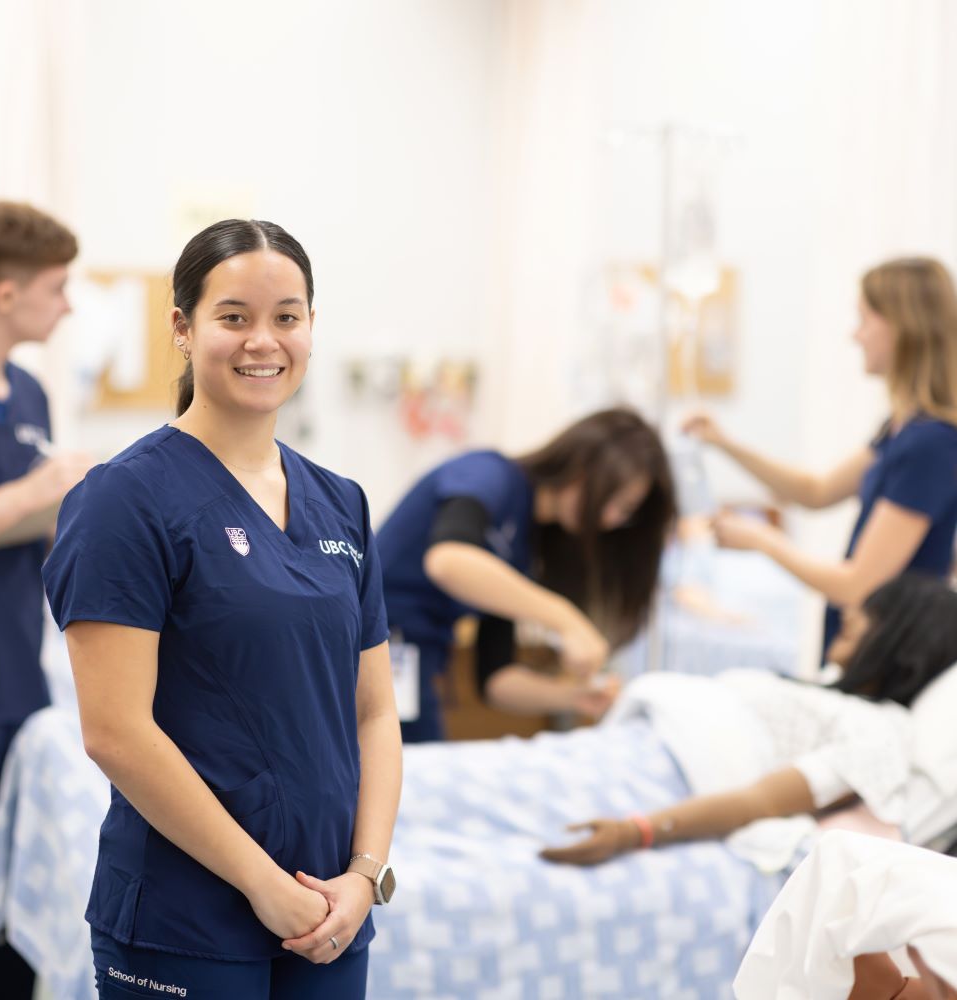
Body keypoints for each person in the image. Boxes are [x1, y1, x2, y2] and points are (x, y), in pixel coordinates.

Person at [43, 219, 402, 1000]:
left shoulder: (342, 504)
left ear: (310, 327)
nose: (262, 342)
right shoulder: (125, 500)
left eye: (287, 317)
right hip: (189, 920)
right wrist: (263, 885)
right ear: (183, 327)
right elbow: (115, 732)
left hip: (330, 917)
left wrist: (363, 876)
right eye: (233, 317)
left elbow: (373, 712)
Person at [541, 573, 957, 866]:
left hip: (656, 781)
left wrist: (634, 833)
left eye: (872, 611)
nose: (848, 613)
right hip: (623, 748)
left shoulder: (878, 731)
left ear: (905, 640)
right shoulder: (824, 686)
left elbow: (762, 801)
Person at [683, 257, 957, 656]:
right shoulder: (902, 431)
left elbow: (859, 584)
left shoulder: (931, 445)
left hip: (892, 654)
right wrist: (724, 443)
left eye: (865, 320)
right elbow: (816, 491)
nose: (856, 335)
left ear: (903, 326)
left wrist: (764, 540)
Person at [0, 200, 89, 1000]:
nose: (69, 304)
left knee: (8, 920)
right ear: (6, 293)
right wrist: (38, 490)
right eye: (57, 286)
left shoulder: (32, 395)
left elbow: (30, 525)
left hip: (18, 693)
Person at [377, 407, 677, 742]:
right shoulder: (489, 474)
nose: (608, 519)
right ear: (583, 465)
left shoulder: (522, 550)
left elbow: (496, 682)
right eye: (614, 501)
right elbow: (448, 560)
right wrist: (566, 619)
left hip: (413, 665)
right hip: (362, 651)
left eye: (624, 513)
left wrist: (573, 696)